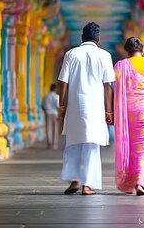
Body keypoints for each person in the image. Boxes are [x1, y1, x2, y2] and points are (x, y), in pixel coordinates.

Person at [57, 22, 115, 196]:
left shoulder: (71, 54)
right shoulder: (104, 55)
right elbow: (108, 86)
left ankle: (74, 180)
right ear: (98, 39)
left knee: (73, 142)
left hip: (75, 105)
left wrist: (62, 106)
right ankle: (87, 185)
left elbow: (63, 82)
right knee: (91, 145)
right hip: (96, 107)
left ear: (82, 37)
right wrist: (109, 111)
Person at [113, 37, 144, 196]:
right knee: (143, 148)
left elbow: (115, 91)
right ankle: (139, 182)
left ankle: (129, 180)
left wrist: (112, 113)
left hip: (126, 113)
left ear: (127, 51)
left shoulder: (120, 66)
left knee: (129, 146)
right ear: (142, 50)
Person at [41, 83, 60, 150]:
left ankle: (49, 144)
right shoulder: (57, 97)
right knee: (55, 129)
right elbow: (58, 106)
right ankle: (54, 145)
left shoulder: (46, 96)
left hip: (48, 113)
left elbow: (42, 106)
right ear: (55, 89)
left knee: (48, 128)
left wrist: (46, 110)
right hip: (55, 113)